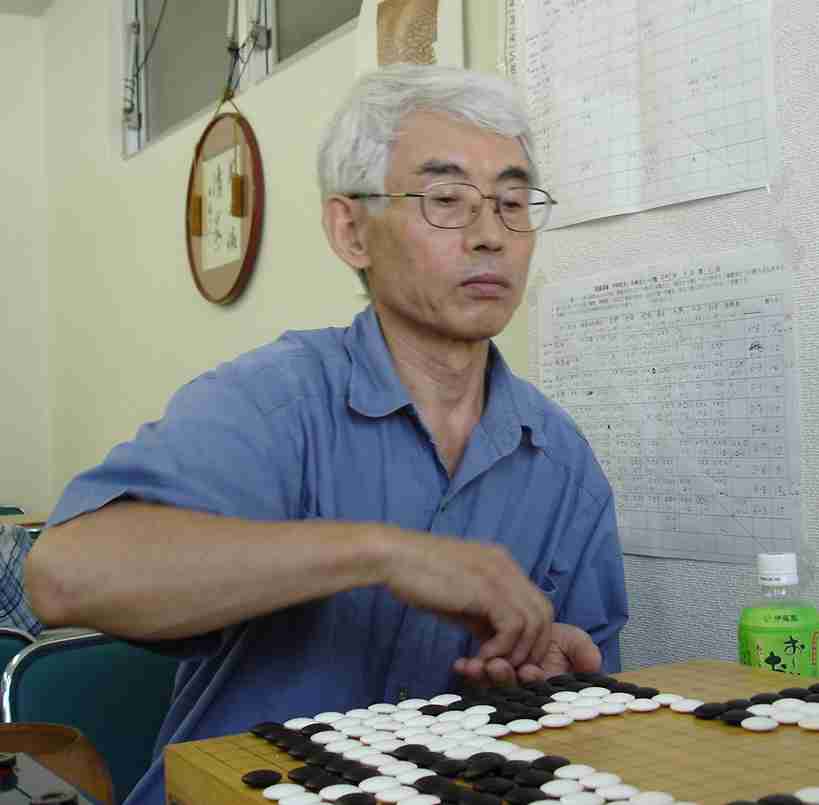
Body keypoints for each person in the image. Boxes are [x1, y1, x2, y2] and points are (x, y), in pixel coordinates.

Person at [26, 64, 627, 805]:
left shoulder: (561, 460)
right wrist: (380, 553)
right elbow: (63, 574)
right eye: (445, 200)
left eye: (511, 202)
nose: (488, 236)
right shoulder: (277, 401)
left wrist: (555, 685)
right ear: (351, 231)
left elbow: (592, 706)